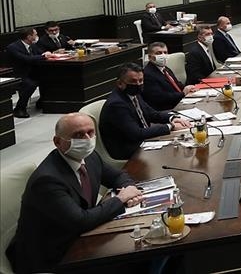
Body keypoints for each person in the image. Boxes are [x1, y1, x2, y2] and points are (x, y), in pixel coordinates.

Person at [5, 113, 144, 273]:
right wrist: (121, 199)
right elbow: (81, 221)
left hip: (78, 237)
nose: (87, 139)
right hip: (50, 256)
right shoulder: (47, 180)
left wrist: (129, 190)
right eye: (78, 135)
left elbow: (118, 176)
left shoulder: (90, 157)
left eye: (90, 132)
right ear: (58, 142)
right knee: (135, 261)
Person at [99, 63, 191, 160]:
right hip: (129, 149)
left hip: (143, 140)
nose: (138, 84)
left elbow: (152, 114)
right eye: (133, 81)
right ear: (120, 84)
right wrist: (170, 127)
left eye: (141, 80)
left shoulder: (133, 94)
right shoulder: (116, 104)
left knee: (182, 142)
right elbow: (137, 133)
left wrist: (172, 118)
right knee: (173, 152)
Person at [6, 28, 51, 118]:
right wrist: (43, 56)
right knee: (31, 84)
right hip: (18, 74)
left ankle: (42, 102)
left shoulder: (32, 45)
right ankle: (19, 108)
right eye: (35, 34)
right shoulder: (13, 47)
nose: (37, 36)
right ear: (29, 37)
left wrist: (46, 53)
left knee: (49, 78)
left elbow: (40, 54)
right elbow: (26, 59)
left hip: (32, 72)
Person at [142, 42, 196, 111]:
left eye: (165, 52)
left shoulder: (165, 69)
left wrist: (189, 88)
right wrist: (183, 93)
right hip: (167, 109)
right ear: (150, 57)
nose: (163, 55)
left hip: (179, 102)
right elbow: (160, 98)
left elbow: (176, 84)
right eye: (159, 53)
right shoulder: (148, 74)